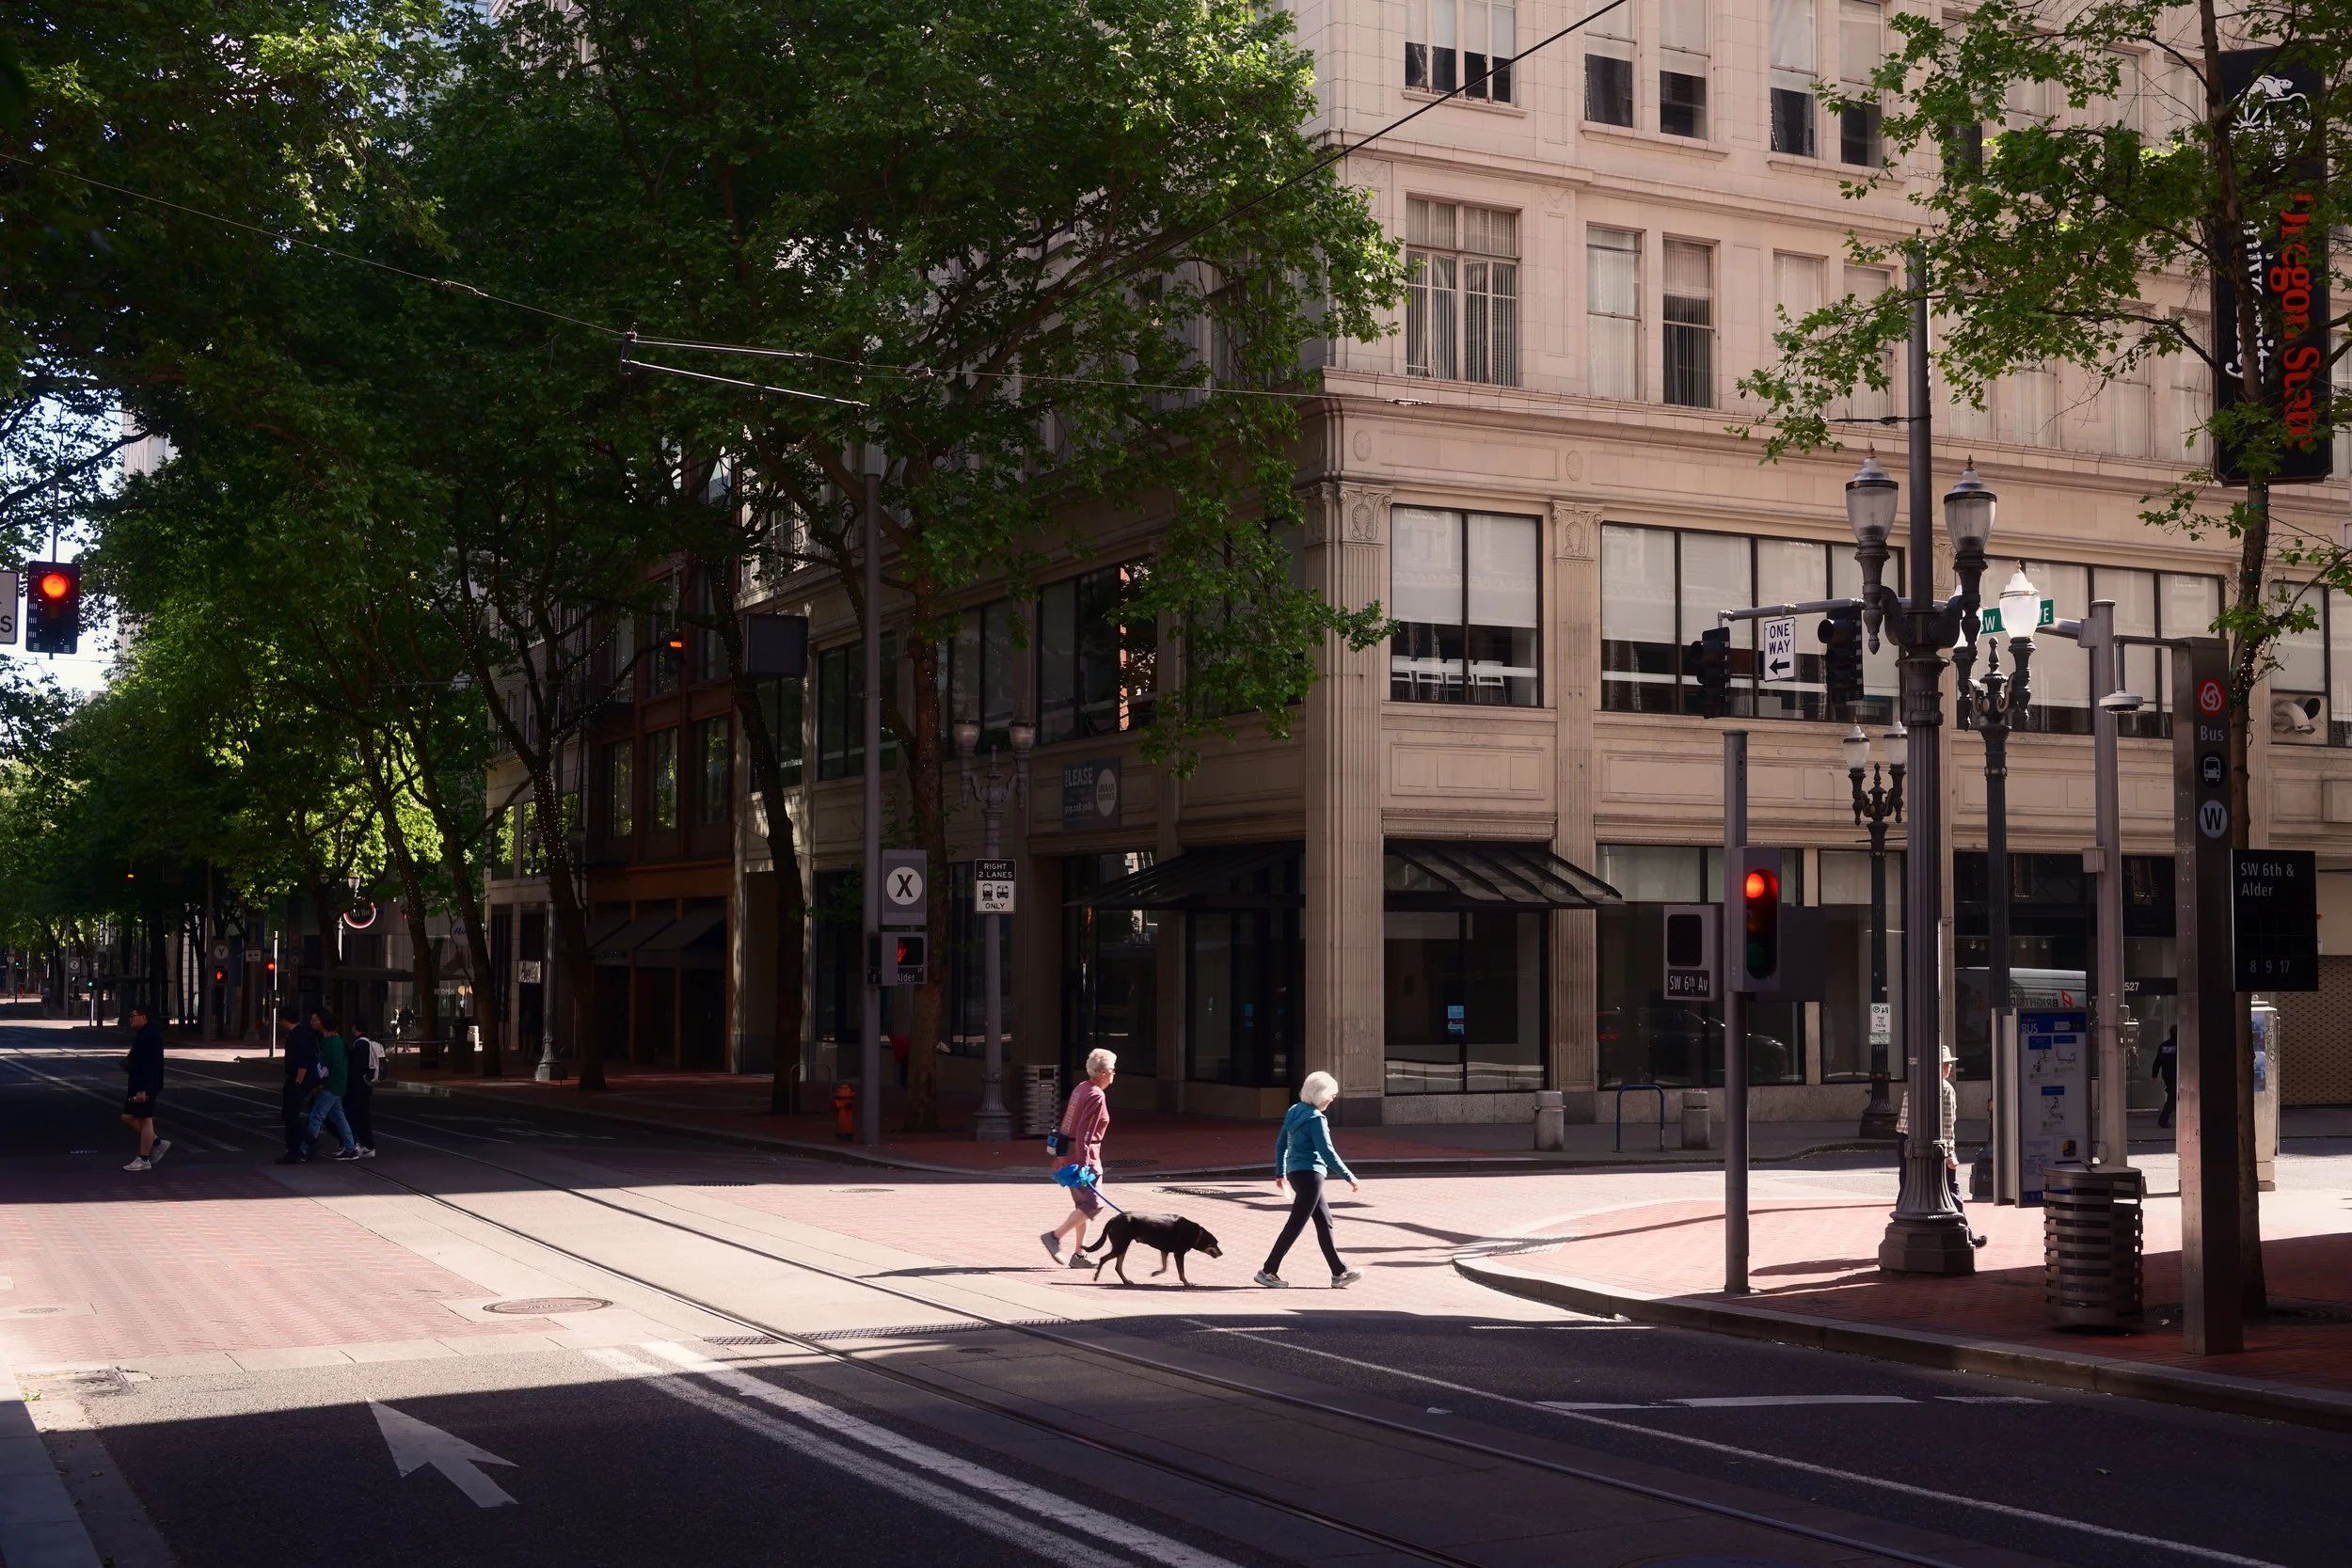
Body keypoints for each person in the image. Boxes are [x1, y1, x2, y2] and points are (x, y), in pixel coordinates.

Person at [1255, 1071, 1363, 1289]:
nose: (1333, 1099)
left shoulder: (1294, 1111)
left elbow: (1280, 1145)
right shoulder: (1316, 1118)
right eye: (1331, 1095)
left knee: (1324, 1222)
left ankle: (1339, 1272)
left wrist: (1280, 1172)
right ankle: (1268, 1270)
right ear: (1321, 1094)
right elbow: (1327, 1152)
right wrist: (1349, 1176)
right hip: (1311, 1174)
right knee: (1296, 1224)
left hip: (1296, 1173)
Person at [1897, 1045, 1986, 1249]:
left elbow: (1903, 1119)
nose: (1950, 1068)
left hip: (1905, 1141)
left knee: (1907, 1187)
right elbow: (1947, 1125)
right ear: (1939, 1067)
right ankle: (1965, 1233)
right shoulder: (1945, 1089)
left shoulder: (1915, 1085)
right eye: (1946, 1064)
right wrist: (1950, 1154)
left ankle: (1904, 1228)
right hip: (1935, 1145)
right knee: (1952, 1187)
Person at [1041, 1049, 1117, 1265]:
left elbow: (1069, 1123)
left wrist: (1063, 1157)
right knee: (1095, 1203)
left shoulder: (1081, 1089)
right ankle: (1054, 1237)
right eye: (1112, 1069)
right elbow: (1085, 1129)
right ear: (1102, 1072)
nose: (1114, 1074)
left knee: (1081, 1206)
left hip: (1069, 1152)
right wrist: (1084, 1164)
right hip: (1085, 1155)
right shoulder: (1096, 1095)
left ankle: (1079, 1254)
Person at [301, 1007, 361, 1163]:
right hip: (338, 1085)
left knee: (316, 1116)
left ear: (324, 1027)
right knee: (339, 1117)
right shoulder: (339, 1040)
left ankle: (305, 1148)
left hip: (331, 1086)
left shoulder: (330, 1044)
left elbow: (323, 1068)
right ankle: (350, 1147)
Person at [120, 1005, 170, 1172]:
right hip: (138, 1084)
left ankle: (143, 1159)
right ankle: (157, 1143)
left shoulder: (150, 1036)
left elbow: (149, 1065)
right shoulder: (144, 1034)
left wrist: (143, 1089)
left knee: (145, 1119)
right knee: (128, 1116)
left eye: (133, 1016)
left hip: (145, 1086)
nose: (131, 1019)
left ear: (144, 1017)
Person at [276, 1007, 319, 1164]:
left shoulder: (300, 1035)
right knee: (288, 1115)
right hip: (295, 1078)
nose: (280, 1023)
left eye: (280, 1020)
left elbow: (303, 1061)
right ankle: (292, 1150)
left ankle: (309, 1141)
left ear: (285, 1020)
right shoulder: (298, 1033)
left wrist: (298, 1081)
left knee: (291, 1114)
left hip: (298, 1079)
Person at [344, 1027, 382, 1158]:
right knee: (363, 1116)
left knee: (354, 1115)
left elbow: (356, 1068)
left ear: (354, 1028)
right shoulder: (369, 1043)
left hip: (357, 1086)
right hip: (367, 1084)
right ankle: (368, 1145)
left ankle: (355, 1144)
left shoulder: (359, 1044)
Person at [2153, 1026, 2178, 1129]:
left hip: (2167, 1075)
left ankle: (2179, 1117)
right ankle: (2163, 1120)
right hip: (2177, 1074)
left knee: (2174, 1096)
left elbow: (2158, 1061)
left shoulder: (2164, 1046)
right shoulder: (2181, 1045)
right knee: (2172, 1097)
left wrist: (2154, 1074)